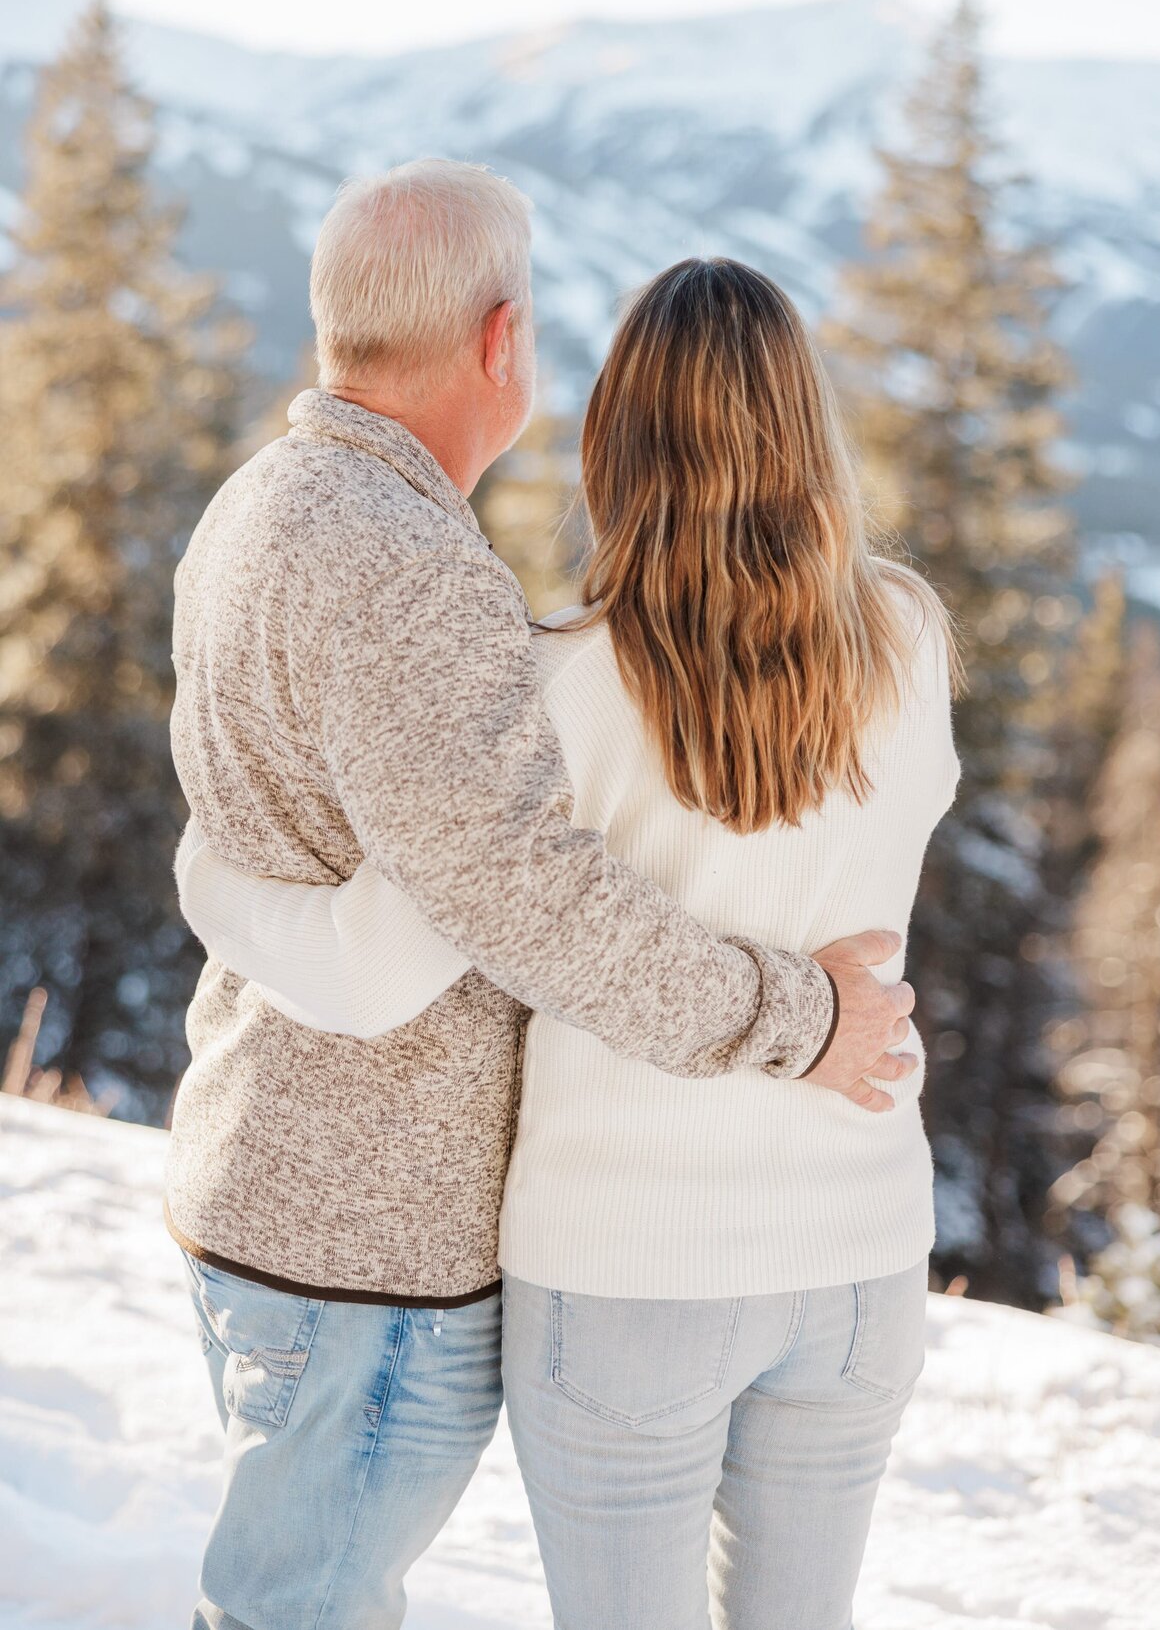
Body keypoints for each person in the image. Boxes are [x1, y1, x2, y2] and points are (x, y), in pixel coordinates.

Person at [168, 165, 917, 1630]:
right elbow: (492, 904)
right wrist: (804, 1012)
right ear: (503, 337)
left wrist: (207, 880)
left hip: (345, 1197)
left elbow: (329, 843)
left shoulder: (263, 505)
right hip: (386, 1245)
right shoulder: (425, 576)